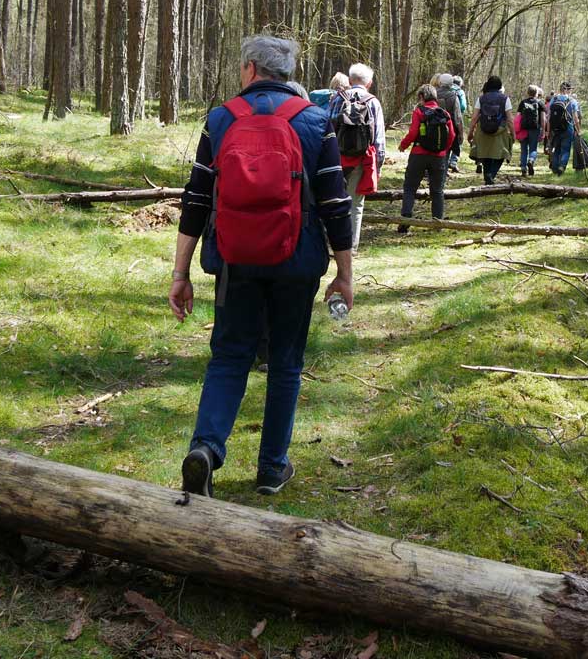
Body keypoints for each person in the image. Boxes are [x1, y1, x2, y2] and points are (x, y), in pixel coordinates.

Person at [169, 36, 354, 499]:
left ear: (251, 68)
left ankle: (207, 449)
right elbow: (335, 203)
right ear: (286, 73)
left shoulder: (220, 120)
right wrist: (345, 273)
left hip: (236, 260)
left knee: (230, 357)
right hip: (298, 260)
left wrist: (181, 272)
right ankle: (272, 467)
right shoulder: (316, 121)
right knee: (286, 364)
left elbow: (195, 201)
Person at [335, 63, 386, 254]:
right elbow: (379, 140)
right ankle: (351, 247)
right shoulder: (373, 102)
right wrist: (377, 167)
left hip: (337, 158)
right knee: (356, 204)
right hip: (361, 159)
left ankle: (334, 243)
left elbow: (327, 129)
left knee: (335, 201)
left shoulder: (337, 99)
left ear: (349, 80)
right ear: (369, 83)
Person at [396, 84, 454, 233]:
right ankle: (437, 223)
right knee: (437, 191)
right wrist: (443, 150)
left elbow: (413, 132)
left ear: (422, 97)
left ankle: (406, 219)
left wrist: (403, 145)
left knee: (410, 188)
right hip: (439, 157)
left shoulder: (419, 112)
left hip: (419, 154)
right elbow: (452, 136)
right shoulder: (445, 114)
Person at [468, 76, 514, 185]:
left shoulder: (481, 98)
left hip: (483, 129)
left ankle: (488, 175)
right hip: (501, 130)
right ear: (499, 86)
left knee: (486, 154)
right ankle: (491, 174)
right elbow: (510, 119)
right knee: (502, 154)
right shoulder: (505, 98)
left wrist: (471, 132)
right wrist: (513, 133)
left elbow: (474, 117)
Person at [547, 81, 581, 175]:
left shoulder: (554, 99)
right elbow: (576, 118)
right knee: (565, 149)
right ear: (568, 90)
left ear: (560, 89)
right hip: (568, 127)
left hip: (555, 128)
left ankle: (554, 167)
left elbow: (549, 116)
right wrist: (578, 130)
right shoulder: (572, 101)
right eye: (570, 89)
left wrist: (548, 130)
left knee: (556, 148)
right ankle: (562, 166)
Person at [434, 74, 464, 174]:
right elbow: (458, 117)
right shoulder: (453, 96)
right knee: (446, 152)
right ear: (451, 84)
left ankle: (433, 175)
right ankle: (442, 175)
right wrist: (461, 133)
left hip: (433, 128)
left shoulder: (433, 94)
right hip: (448, 129)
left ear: (440, 82)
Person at [516, 85, 546, 176]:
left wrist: (516, 129)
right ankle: (531, 160)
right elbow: (543, 119)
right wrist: (544, 130)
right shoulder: (540, 103)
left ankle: (523, 169)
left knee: (524, 149)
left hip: (523, 129)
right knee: (533, 148)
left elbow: (518, 117)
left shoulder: (522, 102)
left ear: (527, 93)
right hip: (535, 129)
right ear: (536, 93)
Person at [449, 75, 469, 172]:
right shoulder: (460, 92)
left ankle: (445, 161)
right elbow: (463, 106)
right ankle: (453, 161)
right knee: (459, 139)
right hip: (456, 118)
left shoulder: (447, 90)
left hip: (443, 118)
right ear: (460, 84)